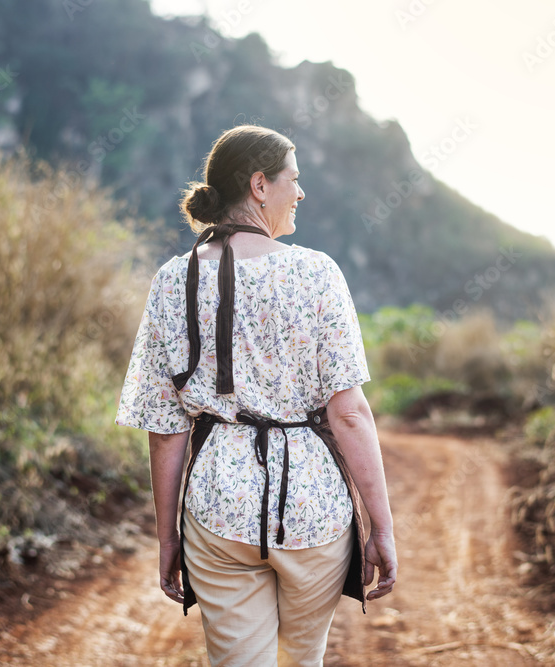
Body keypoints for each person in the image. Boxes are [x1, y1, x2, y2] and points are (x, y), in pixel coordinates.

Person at [115, 124, 397, 666]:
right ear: (260, 185)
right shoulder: (317, 273)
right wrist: (381, 527)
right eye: (295, 179)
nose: (302, 191)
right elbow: (350, 414)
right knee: (301, 660)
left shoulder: (173, 280)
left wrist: (168, 535)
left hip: (218, 506)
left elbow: (166, 425)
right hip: (313, 511)